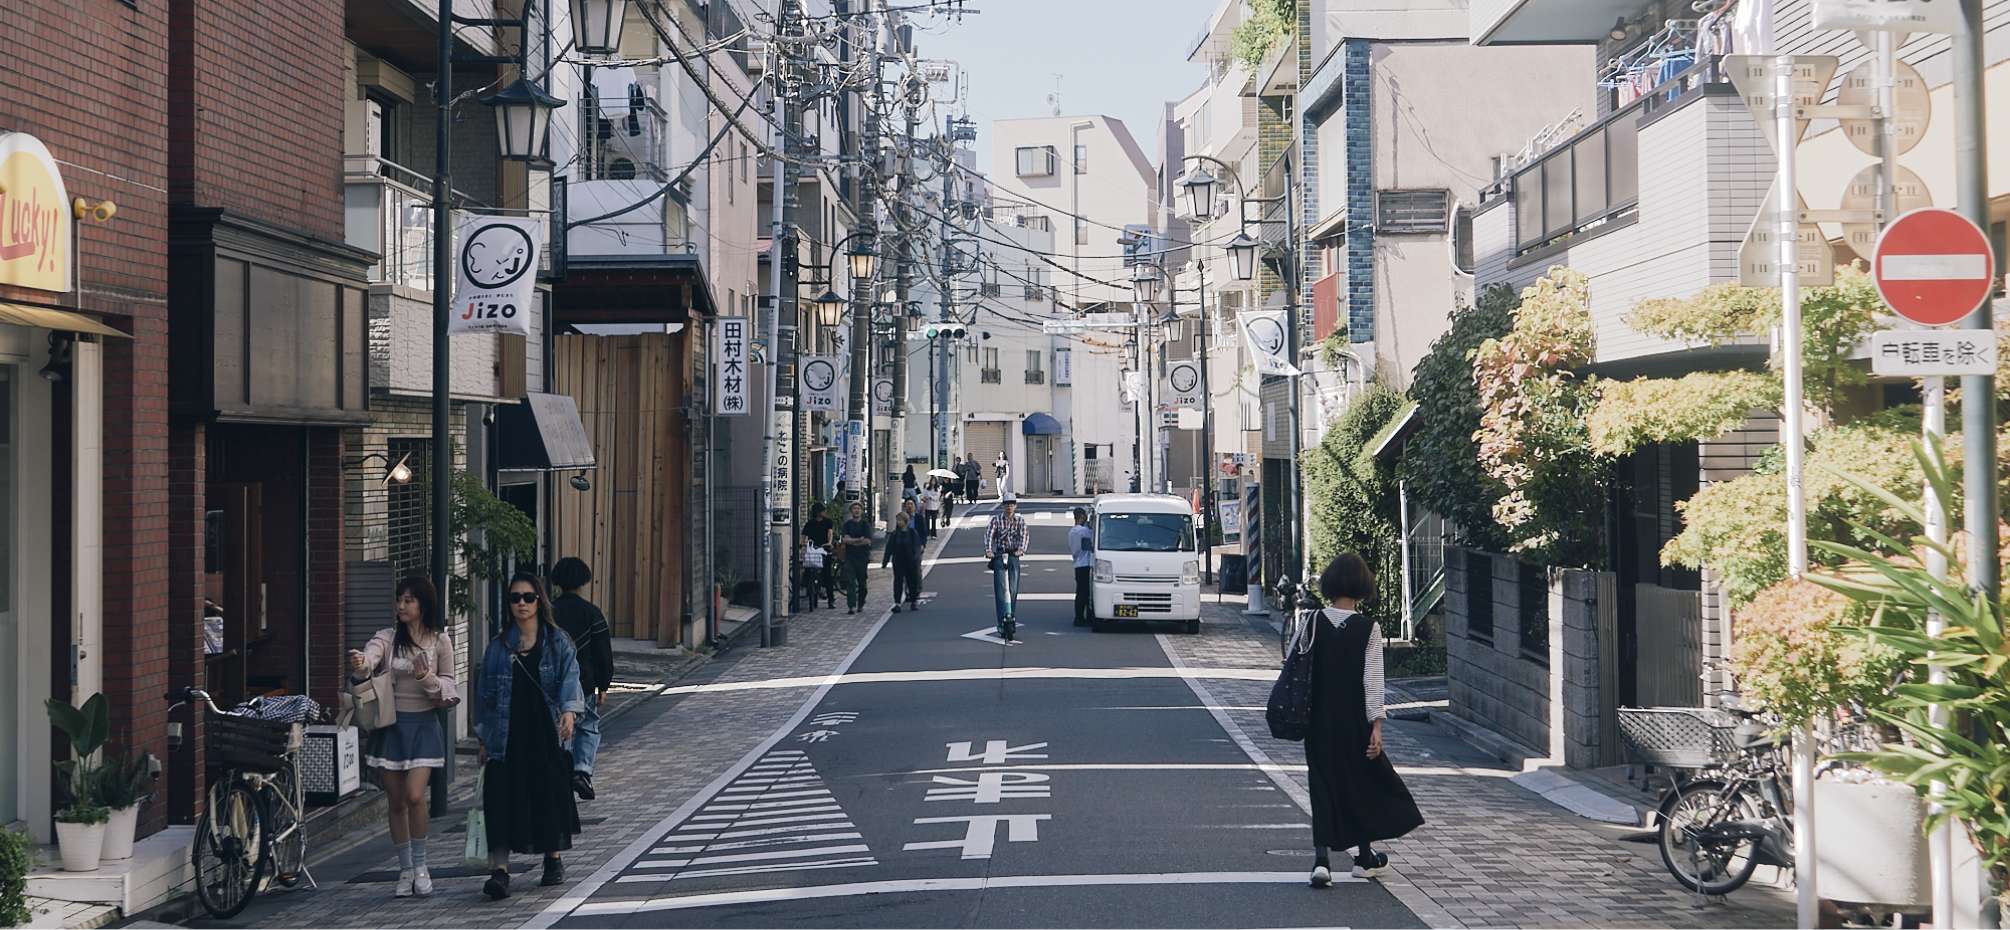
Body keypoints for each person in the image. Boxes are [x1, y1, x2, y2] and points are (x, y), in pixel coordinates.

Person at [1299, 553, 1424, 888]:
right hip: (1354, 719)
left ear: (1330, 584)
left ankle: (1321, 861)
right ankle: (1364, 856)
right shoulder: (1369, 628)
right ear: (1362, 586)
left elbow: (1299, 666)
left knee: (1322, 785)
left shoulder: (1311, 622)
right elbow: (1372, 681)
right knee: (1362, 782)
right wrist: (1377, 726)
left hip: (1318, 720)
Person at [475, 572, 586, 900]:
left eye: (528, 597)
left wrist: (568, 711)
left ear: (540, 600)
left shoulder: (557, 641)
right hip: (506, 738)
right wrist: (483, 738)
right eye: (515, 598)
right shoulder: (499, 646)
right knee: (500, 801)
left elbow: (571, 677)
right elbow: (484, 697)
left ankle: (552, 859)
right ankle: (500, 872)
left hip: (544, 733)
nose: (521, 603)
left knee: (547, 796)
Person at [349, 576, 459, 898]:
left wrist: (427, 678)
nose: (401, 605)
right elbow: (370, 657)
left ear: (424, 604)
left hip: (424, 725)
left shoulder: (440, 641)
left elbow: (449, 686)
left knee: (414, 796)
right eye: (399, 599)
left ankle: (422, 866)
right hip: (391, 726)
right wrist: (362, 663)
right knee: (395, 801)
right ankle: (405, 869)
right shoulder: (387, 638)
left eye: (409, 600)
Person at [547, 557, 611, 801]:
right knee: (588, 725)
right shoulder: (591, 613)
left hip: (552, 682)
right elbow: (602, 651)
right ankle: (582, 770)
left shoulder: (548, 612)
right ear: (584, 581)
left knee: (561, 727)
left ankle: (564, 772)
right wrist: (604, 684)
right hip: (584, 681)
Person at [984, 496, 1028, 638]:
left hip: (1014, 555)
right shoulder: (996, 520)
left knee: (1013, 588)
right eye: (1007, 504)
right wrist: (989, 550)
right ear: (1003, 506)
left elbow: (1024, 537)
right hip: (999, 555)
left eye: (1012, 504)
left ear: (1015, 506)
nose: (1009, 507)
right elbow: (989, 535)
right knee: (1001, 588)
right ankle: (1001, 621)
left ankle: (1011, 616)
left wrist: (1021, 550)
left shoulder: (1020, 521)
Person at [882, 511, 924, 612]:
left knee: (912, 581)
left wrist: (916, 558)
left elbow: (917, 546)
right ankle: (897, 603)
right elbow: (889, 548)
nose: (898, 522)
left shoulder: (912, 533)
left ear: (905, 521)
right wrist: (885, 561)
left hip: (911, 561)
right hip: (898, 561)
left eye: (900, 520)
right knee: (898, 582)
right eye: (897, 520)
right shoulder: (895, 534)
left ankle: (913, 601)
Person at [839, 502, 873, 614]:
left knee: (862, 582)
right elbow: (845, 540)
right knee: (850, 581)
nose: (856, 510)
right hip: (850, 556)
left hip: (862, 557)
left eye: (858, 508)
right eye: (854, 508)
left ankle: (861, 603)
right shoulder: (847, 525)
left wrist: (852, 541)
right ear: (851, 511)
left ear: (861, 511)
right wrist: (859, 540)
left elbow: (868, 541)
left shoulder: (865, 525)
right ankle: (851, 605)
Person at [803, 502, 836, 609]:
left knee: (827, 575)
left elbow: (830, 533)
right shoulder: (810, 523)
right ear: (817, 512)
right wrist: (802, 544)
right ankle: (810, 591)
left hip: (824, 549)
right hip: (813, 550)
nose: (824, 512)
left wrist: (829, 543)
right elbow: (803, 536)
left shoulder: (828, 522)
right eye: (822, 510)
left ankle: (831, 600)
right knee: (808, 571)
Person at [1068, 507, 1095, 627]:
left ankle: (1079, 616)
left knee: (1080, 592)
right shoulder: (1083, 531)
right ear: (1082, 517)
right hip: (1086, 564)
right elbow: (1094, 532)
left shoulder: (1072, 532)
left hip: (1078, 564)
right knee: (1086, 593)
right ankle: (1082, 617)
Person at [800, 537, 829, 610]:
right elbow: (803, 537)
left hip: (816, 552)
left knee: (820, 572)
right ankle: (808, 585)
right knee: (811, 571)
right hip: (813, 554)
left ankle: (819, 587)